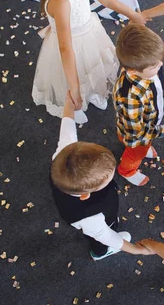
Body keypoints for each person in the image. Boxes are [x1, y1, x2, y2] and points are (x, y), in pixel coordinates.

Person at [32, 0, 145, 123]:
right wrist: (73, 87)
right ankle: (78, 95)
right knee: (78, 70)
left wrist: (132, 14)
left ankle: (92, 91)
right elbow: (66, 48)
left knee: (93, 64)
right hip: (72, 45)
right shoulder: (61, 1)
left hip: (89, 31)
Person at [50, 90, 151, 260]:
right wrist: (136, 250)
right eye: (107, 179)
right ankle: (99, 253)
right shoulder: (91, 219)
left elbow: (67, 127)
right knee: (98, 240)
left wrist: (69, 104)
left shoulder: (64, 153)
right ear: (85, 195)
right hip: (94, 221)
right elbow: (108, 237)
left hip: (72, 200)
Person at [113, 24, 164, 186]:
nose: (160, 66)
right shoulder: (129, 97)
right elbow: (138, 132)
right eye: (155, 66)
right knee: (136, 153)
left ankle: (141, 148)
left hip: (148, 121)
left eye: (159, 62)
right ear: (131, 71)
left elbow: (158, 81)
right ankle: (127, 170)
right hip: (135, 136)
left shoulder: (147, 66)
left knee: (143, 144)